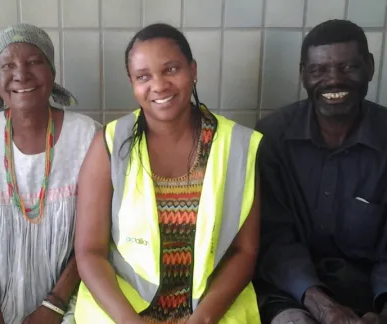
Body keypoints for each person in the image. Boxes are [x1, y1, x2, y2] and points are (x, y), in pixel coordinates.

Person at [74, 23, 263, 324]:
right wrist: (129, 321)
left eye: (171, 69)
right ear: (132, 83)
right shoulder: (109, 144)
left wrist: (203, 318)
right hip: (123, 310)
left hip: (211, 310)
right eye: (143, 77)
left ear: (193, 70)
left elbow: (244, 251)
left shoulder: (237, 145)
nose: (159, 85)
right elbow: (89, 252)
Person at [0, 23, 101, 324]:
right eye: (8, 65)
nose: (21, 74)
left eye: (34, 62)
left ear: (52, 72)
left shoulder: (86, 137)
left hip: (72, 296)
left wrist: (53, 306)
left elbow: (95, 235)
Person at [256, 19, 387, 324]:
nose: (333, 80)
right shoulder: (272, 138)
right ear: (303, 74)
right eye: (319, 71)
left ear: (369, 67)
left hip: (371, 289)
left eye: (348, 67)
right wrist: (321, 305)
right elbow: (273, 239)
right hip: (290, 292)